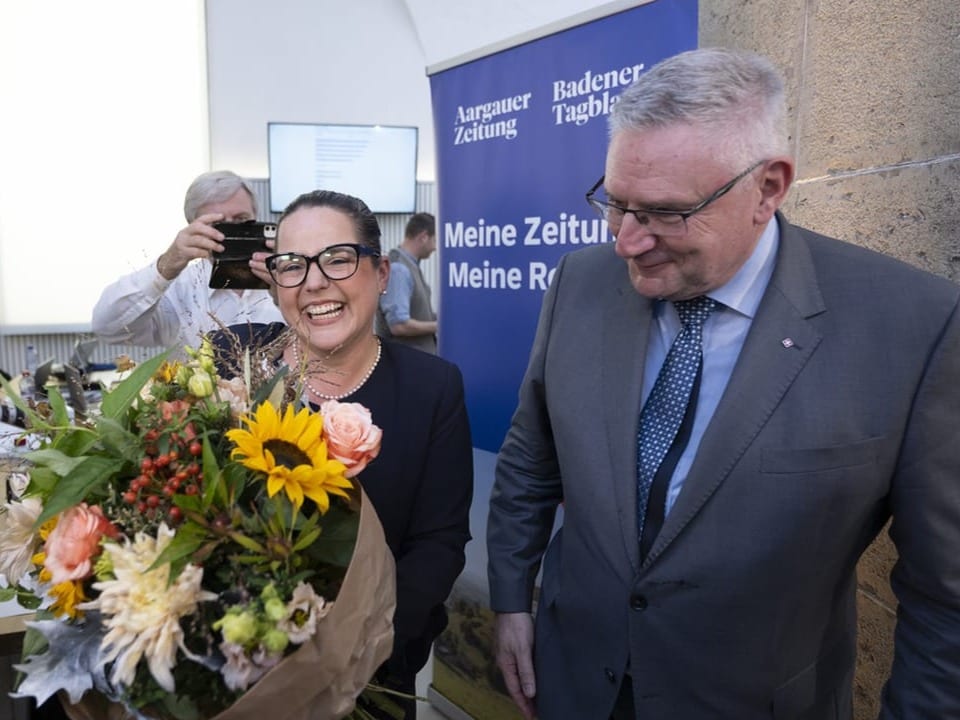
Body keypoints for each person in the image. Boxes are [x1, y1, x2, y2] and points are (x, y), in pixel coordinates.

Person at [487, 47, 960, 720]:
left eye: (663, 213)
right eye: (615, 204)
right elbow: (531, 457)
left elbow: (945, 597)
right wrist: (511, 599)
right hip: (573, 684)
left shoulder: (914, 325)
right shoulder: (579, 283)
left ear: (769, 187)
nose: (626, 240)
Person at [209, 190, 473, 719]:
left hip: (371, 679)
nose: (313, 282)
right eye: (292, 265)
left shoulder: (431, 387)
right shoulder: (228, 358)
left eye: (337, 259)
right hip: (231, 675)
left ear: (380, 274)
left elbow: (438, 543)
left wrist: (359, 653)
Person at [91, 170, 282, 353]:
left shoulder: (288, 279)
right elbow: (107, 327)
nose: (231, 231)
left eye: (242, 220)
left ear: (256, 218)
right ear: (193, 227)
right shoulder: (179, 291)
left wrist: (284, 287)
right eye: (218, 224)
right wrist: (165, 266)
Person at [375, 212, 439, 353]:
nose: (435, 248)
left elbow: (416, 312)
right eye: (434, 241)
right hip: (405, 365)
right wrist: (439, 326)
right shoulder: (399, 270)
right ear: (423, 237)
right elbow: (399, 325)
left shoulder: (409, 266)